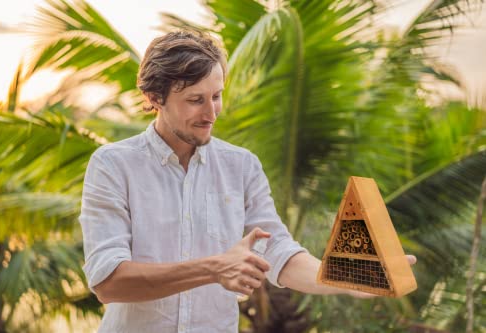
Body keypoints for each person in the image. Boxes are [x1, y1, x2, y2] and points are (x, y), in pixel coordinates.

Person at [79, 30, 416, 333]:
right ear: (154, 97)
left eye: (216, 96)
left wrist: (343, 278)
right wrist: (215, 268)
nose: (211, 113)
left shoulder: (241, 166)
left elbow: (277, 251)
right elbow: (109, 282)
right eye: (195, 100)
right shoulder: (112, 165)